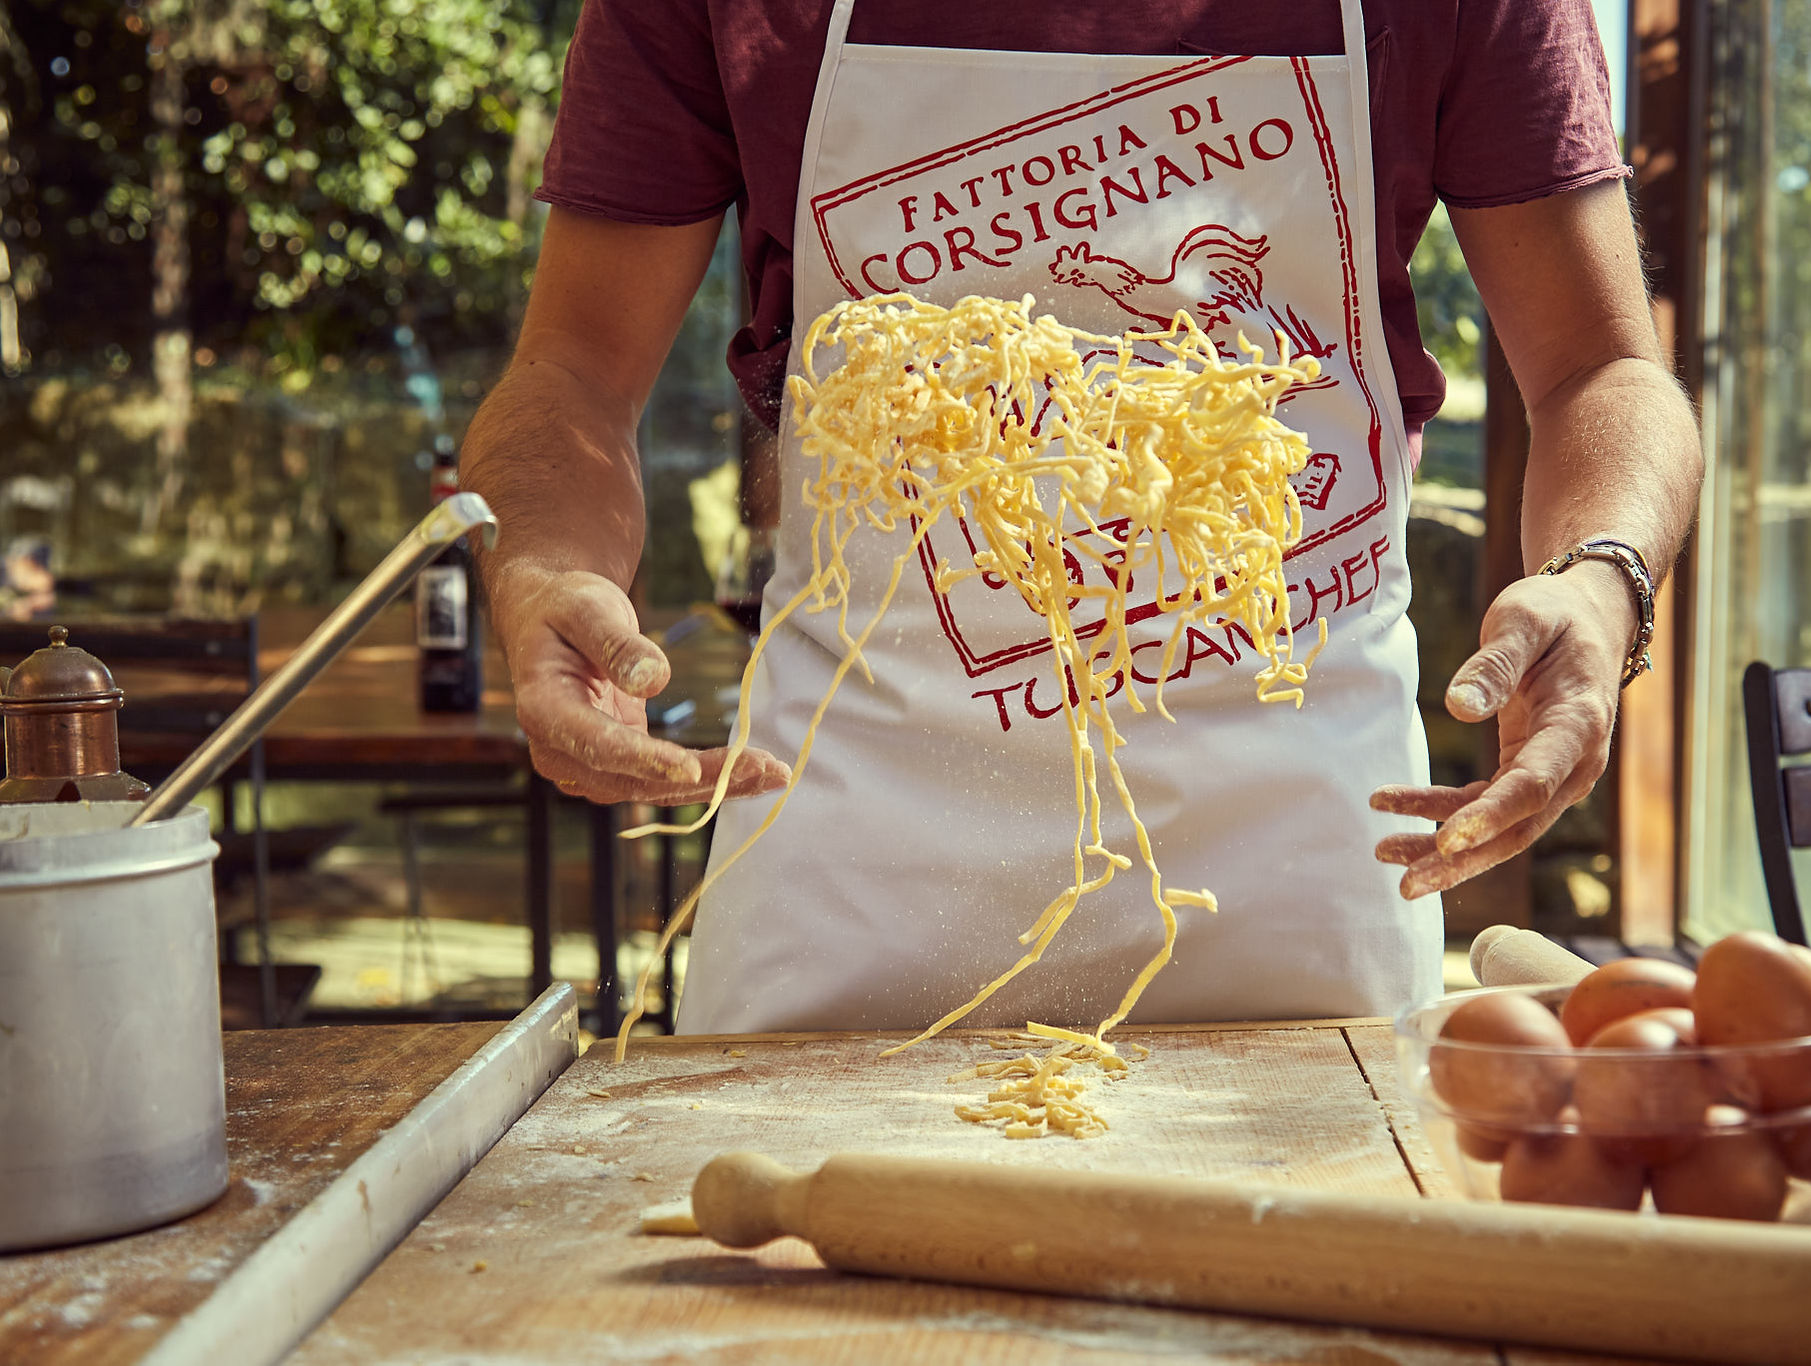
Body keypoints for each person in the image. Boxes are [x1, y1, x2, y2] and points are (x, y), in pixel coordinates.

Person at [464, 0, 1704, 1034]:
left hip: (1291, 851)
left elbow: (1597, 367)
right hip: (855, 847)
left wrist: (1601, 576)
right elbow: (572, 369)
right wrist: (545, 564)